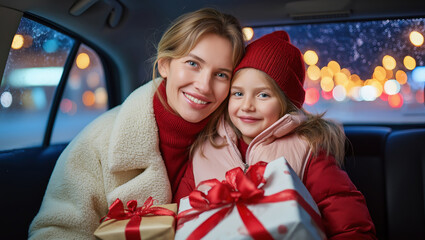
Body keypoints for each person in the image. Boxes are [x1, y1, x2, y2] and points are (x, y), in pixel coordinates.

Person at [28, 8, 245, 239]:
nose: (204, 85)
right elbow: (55, 233)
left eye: (221, 75)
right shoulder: (97, 141)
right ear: (164, 65)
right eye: (193, 63)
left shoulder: (237, 142)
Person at [177, 31, 377, 239]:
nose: (247, 106)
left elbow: (348, 222)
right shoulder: (205, 151)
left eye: (263, 95)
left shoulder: (307, 150)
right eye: (238, 93)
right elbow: (183, 217)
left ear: (286, 104)